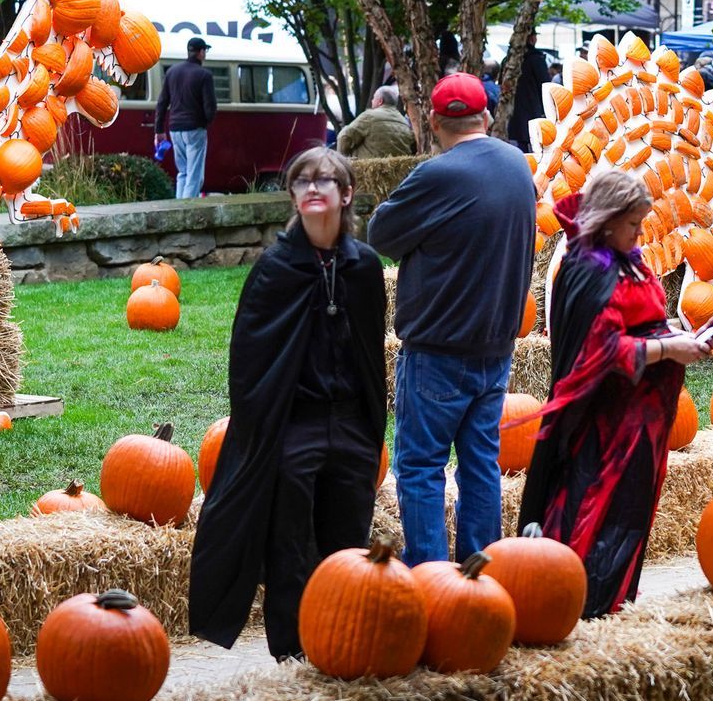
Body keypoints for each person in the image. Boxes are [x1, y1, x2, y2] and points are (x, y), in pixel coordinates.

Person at [189, 147, 386, 660]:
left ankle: (342, 642)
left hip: (348, 425)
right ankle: (294, 652)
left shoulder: (364, 268)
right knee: (290, 545)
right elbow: (250, 365)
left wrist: (369, 431)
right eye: (302, 180)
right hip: (292, 427)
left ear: (346, 195)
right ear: (294, 197)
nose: (313, 187)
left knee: (348, 541)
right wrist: (263, 437)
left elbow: (371, 357)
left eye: (326, 180)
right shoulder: (276, 269)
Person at [516, 169, 711, 618]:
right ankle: (578, 603)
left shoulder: (627, 257)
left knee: (630, 509)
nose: (639, 234)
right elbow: (597, 351)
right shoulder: (587, 266)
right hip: (603, 426)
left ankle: (615, 602)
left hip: (642, 420)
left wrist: (681, 334)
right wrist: (668, 348)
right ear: (606, 220)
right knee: (595, 506)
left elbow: (641, 319)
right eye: (632, 225)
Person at [367, 73, 537, 565]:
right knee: (481, 464)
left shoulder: (436, 175)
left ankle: (433, 579)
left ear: (436, 122)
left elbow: (381, 234)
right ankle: (478, 574)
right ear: (485, 116)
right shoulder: (516, 166)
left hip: (437, 350)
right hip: (497, 347)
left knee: (420, 467)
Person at [154, 35, 218, 199]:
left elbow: (162, 103)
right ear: (201, 52)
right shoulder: (204, 75)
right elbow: (210, 107)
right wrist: (205, 123)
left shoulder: (172, 72)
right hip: (194, 128)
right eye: (205, 50)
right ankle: (187, 212)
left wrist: (159, 130)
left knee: (182, 172)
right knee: (194, 175)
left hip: (174, 128)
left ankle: (178, 207)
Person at [336, 85, 417, 159]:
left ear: (380, 101)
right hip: (400, 172)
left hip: (367, 171)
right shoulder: (404, 122)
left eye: (373, 98)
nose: (371, 101)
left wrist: (343, 160)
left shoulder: (369, 116)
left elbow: (344, 136)